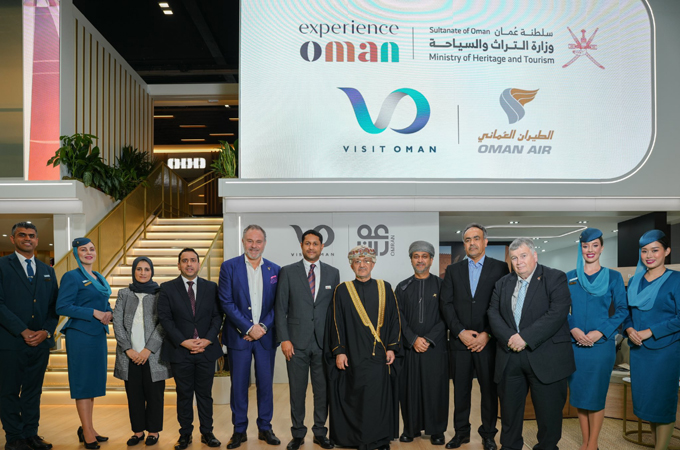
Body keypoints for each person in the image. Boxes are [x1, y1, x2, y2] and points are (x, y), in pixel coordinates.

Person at [487, 237, 575, 450]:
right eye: (514, 258)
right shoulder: (502, 283)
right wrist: (511, 338)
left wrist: (525, 338)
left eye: (523, 256)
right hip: (510, 357)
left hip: (546, 357)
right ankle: (510, 447)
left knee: (549, 415)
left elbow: (557, 313)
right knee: (509, 413)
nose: (518, 262)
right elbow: (492, 313)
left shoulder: (555, 277)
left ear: (535, 256)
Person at [440, 224, 509, 450]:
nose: (472, 243)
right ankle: (461, 433)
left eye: (476, 238)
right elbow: (446, 304)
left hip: (487, 342)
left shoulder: (500, 268)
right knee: (460, 390)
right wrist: (460, 332)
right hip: (460, 342)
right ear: (464, 244)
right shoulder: (453, 270)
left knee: (489, 391)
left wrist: (487, 333)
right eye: (468, 239)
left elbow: (504, 304)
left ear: (485, 242)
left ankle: (488, 434)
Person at [325, 245, 401, 450]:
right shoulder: (342, 290)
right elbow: (336, 322)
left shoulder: (385, 287)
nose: (362, 265)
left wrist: (392, 347)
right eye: (357, 262)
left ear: (373, 264)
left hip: (379, 356)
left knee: (378, 398)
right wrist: (339, 351)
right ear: (351, 265)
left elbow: (395, 319)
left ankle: (380, 439)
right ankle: (356, 439)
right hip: (353, 355)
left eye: (366, 261)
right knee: (356, 397)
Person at [275, 230, 339, 450]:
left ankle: (320, 432)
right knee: (297, 391)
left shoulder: (333, 273)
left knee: (322, 391)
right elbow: (280, 308)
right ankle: (298, 433)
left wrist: (335, 344)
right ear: (301, 246)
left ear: (322, 247)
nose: (311, 247)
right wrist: (284, 339)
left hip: (323, 343)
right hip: (295, 343)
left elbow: (334, 311)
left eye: (315, 244)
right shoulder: (288, 272)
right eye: (307, 243)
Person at [219, 225, 281, 449]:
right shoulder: (229, 267)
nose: (254, 246)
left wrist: (262, 327)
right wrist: (247, 328)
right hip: (239, 338)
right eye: (250, 241)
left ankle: (265, 428)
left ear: (264, 243)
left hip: (265, 337)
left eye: (258, 241)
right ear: (243, 242)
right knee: (239, 386)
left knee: (265, 385)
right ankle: (239, 430)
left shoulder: (275, 270)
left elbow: (278, 304)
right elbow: (226, 302)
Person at [566, 228, 627, 450]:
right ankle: (585, 442)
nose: (590, 250)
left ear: (601, 248)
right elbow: (561, 309)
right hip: (575, 346)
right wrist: (573, 329)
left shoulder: (613, 277)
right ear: (580, 249)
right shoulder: (569, 277)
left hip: (600, 347)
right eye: (585, 246)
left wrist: (600, 331)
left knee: (596, 395)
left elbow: (622, 310)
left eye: (594, 245)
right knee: (580, 395)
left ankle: (593, 444)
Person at [0, 222, 59, 450]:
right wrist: (23, 330)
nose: (28, 238)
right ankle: (14, 437)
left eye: (32, 235)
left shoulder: (47, 270)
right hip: (10, 342)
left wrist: (45, 331)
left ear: (37, 240)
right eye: (22, 235)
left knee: (33, 392)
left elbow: (54, 307)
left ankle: (30, 434)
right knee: (8, 391)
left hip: (40, 344)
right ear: (13, 239)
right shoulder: (2, 266)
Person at [157, 248, 223, 450]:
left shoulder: (211, 287)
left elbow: (217, 317)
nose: (189, 264)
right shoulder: (167, 288)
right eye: (184, 260)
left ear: (198, 264)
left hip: (206, 350)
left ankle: (207, 433)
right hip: (180, 351)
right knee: (184, 394)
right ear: (179, 265)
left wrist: (208, 340)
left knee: (205, 394)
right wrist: (183, 341)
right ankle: (185, 434)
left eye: (193, 260)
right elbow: (165, 319)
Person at [624, 229, 680, 450]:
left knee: (662, 404)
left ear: (667, 251)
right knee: (648, 404)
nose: (649, 255)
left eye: (655, 250)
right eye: (644, 251)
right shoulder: (635, 281)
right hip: (639, 352)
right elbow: (626, 313)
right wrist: (629, 329)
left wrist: (650, 331)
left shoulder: (676, 280)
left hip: (665, 352)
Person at [55, 238, 113, 450]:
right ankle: (87, 431)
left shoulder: (98, 277)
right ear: (76, 254)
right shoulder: (72, 276)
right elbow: (62, 306)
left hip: (97, 335)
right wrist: (93, 312)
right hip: (80, 335)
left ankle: (88, 427)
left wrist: (109, 312)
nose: (89, 252)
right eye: (83, 249)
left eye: (91, 249)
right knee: (82, 384)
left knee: (92, 384)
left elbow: (104, 304)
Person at [113, 256, 172, 447]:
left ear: (152, 272)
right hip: (129, 355)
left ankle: (153, 432)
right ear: (134, 271)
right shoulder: (124, 294)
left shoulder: (160, 294)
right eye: (139, 269)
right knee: (134, 395)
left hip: (153, 356)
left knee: (155, 395)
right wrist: (128, 349)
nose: (143, 273)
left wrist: (148, 349)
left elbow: (163, 323)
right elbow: (117, 323)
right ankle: (137, 432)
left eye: (147, 269)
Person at [395, 241, 448, 445]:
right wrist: (413, 339)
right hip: (410, 347)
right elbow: (398, 317)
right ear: (411, 260)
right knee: (409, 389)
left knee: (436, 389)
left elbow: (447, 317)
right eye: (416, 256)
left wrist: (427, 339)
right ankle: (411, 428)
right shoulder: (402, 287)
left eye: (424, 256)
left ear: (431, 260)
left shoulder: (442, 286)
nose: (420, 260)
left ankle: (437, 430)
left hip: (435, 347)